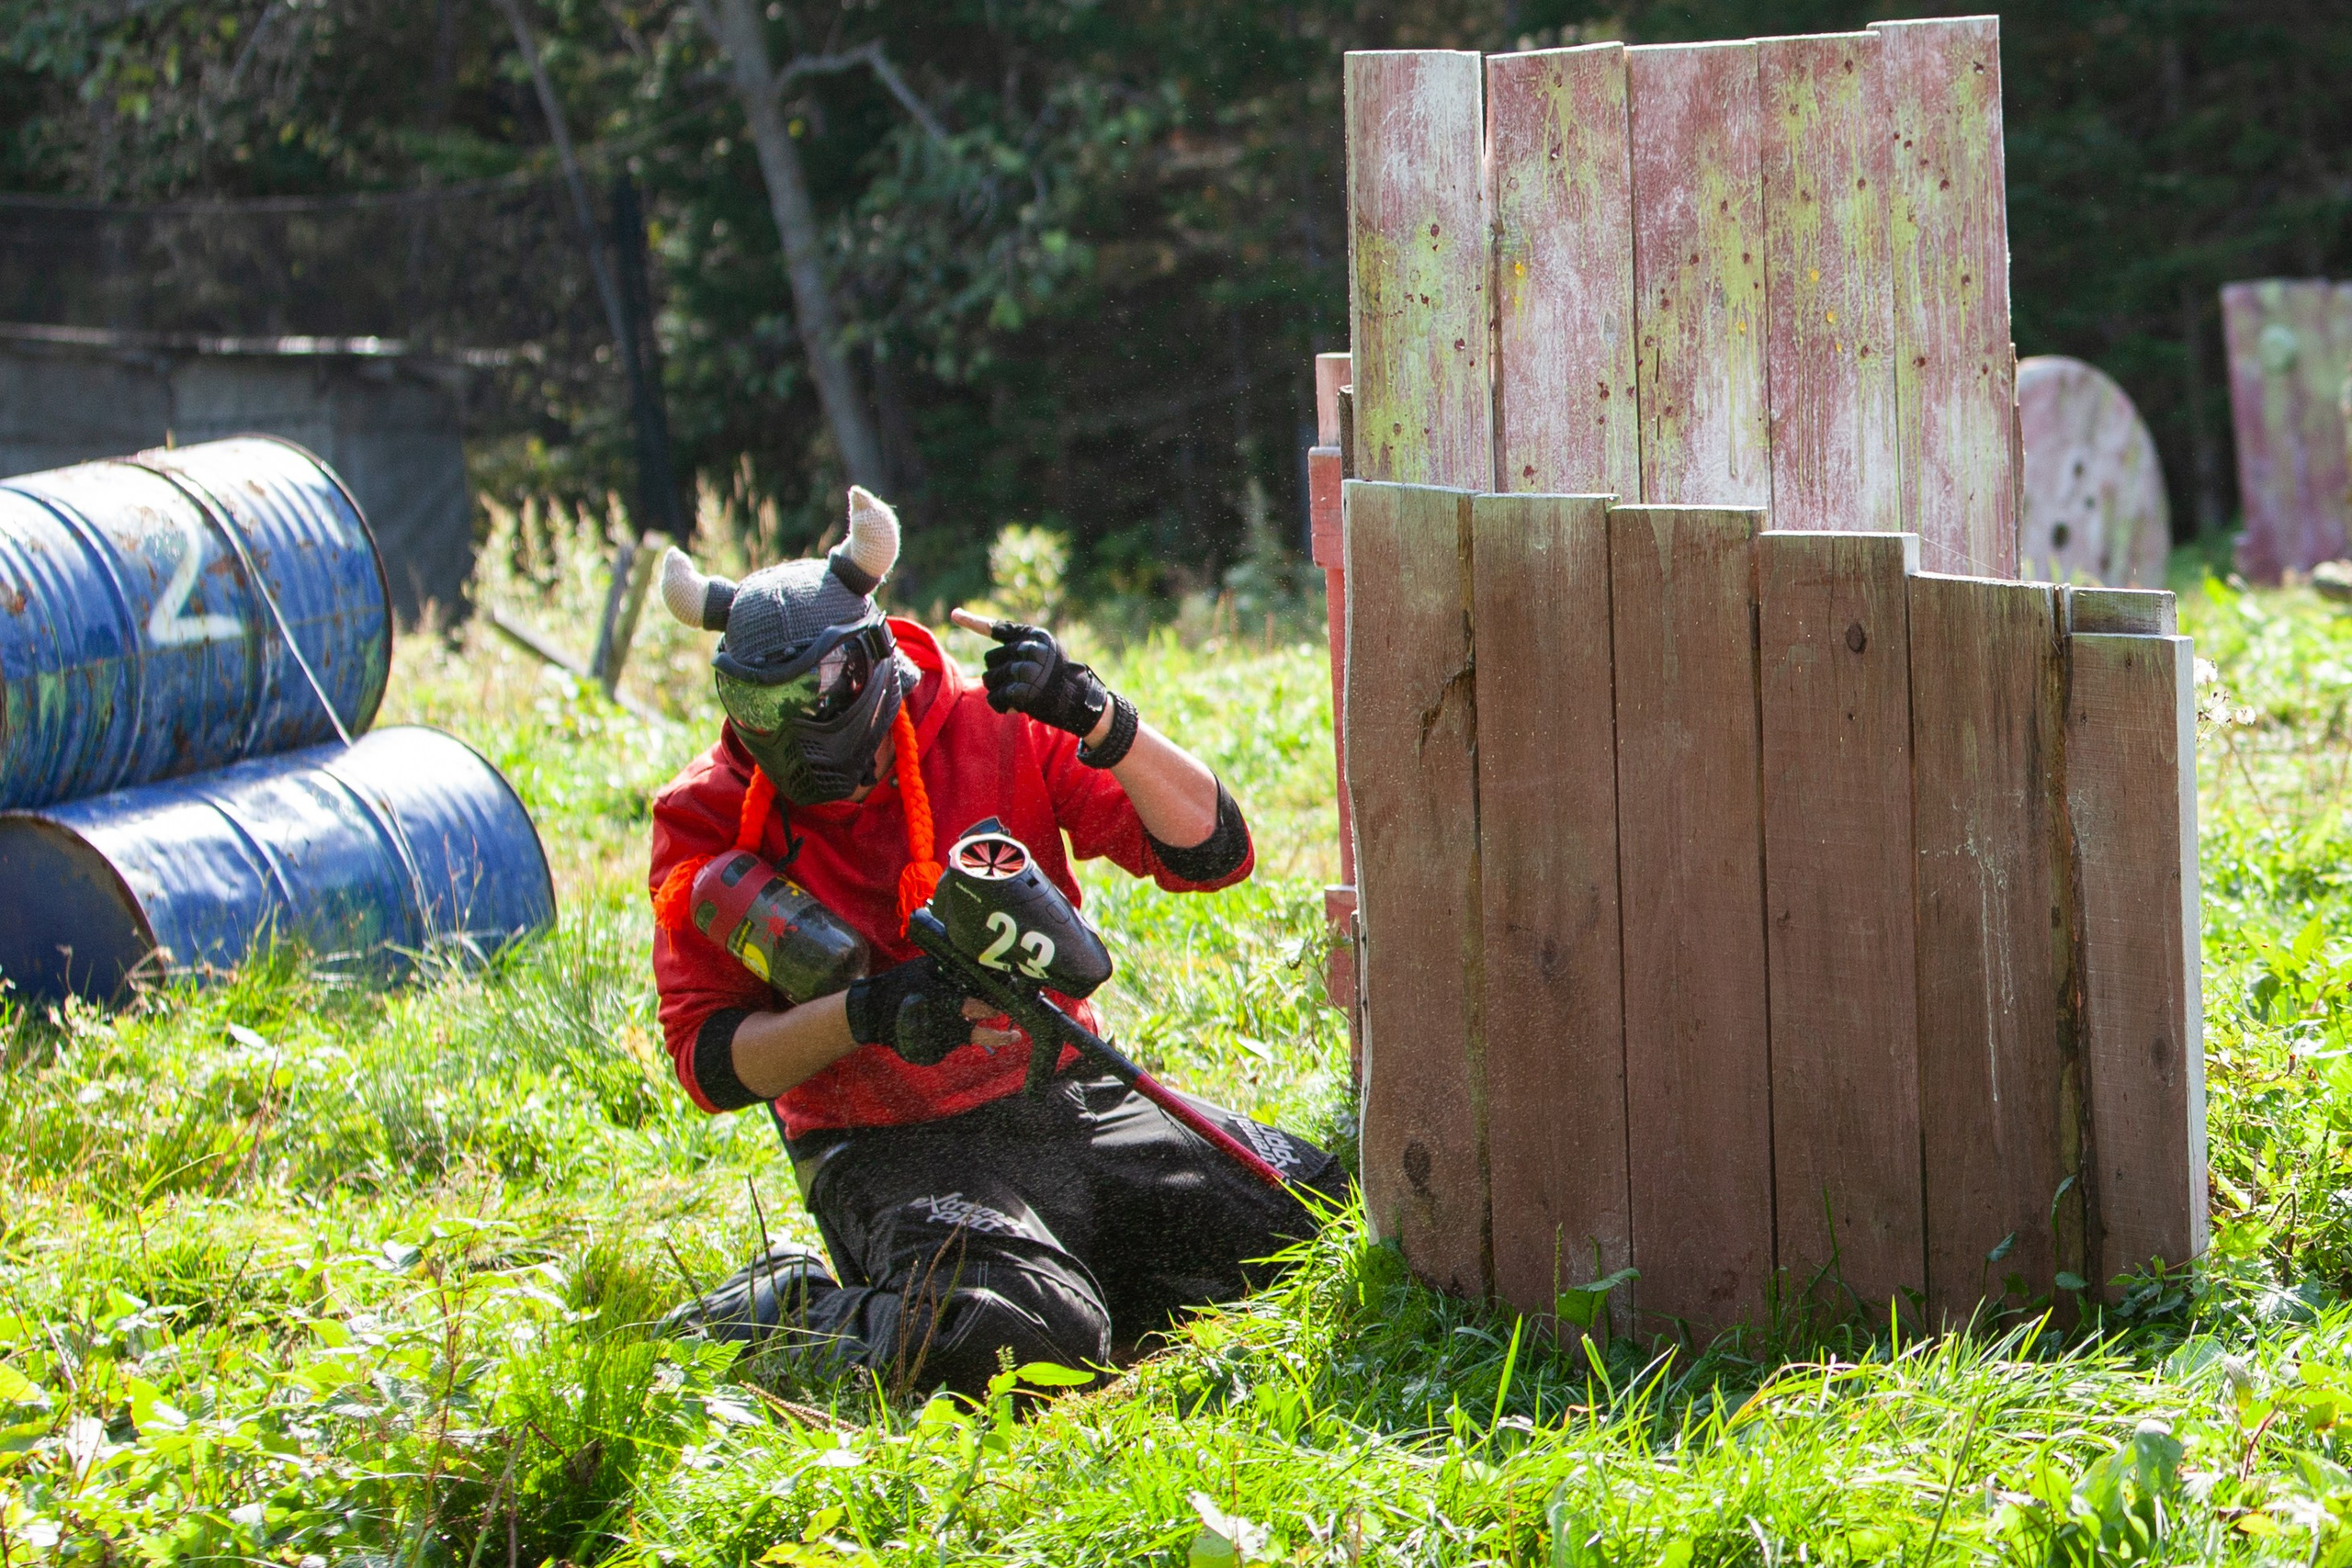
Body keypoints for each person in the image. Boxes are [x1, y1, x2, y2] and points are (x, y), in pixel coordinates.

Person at [645, 487, 1346, 1395]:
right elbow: (711, 1062)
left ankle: (1081, 1275)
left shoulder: (990, 724)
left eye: (803, 696)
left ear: (865, 661)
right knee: (1015, 1345)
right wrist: (867, 1014)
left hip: (1065, 1093)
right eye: (753, 703)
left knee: (1317, 1216)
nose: (780, 732)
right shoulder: (704, 813)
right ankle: (779, 1311)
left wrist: (1098, 714)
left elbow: (1214, 853)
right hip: (886, 1145)